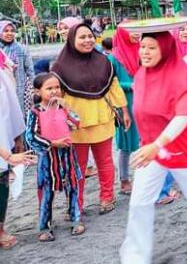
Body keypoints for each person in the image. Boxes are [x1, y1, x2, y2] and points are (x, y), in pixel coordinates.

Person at [120, 31, 187, 263]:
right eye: (143, 47)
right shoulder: (141, 75)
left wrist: (157, 144)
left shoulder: (180, 76)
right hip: (151, 150)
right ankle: (135, 256)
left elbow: (185, 115)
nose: (145, 52)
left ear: (165, 50)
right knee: (139, 201)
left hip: (182, 148)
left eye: (151, 48)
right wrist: (151, 145)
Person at [51, 23, 130, 215]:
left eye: (89, 36)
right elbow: (54, 96)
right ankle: (76, 204)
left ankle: (107, 197)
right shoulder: (60, 67)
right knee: (77, 168)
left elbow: (114, 87)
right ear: (72, 40)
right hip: (75, 126)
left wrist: (124, 110)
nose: (87, 40)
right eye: (82, 37)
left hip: (102, 119)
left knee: (104, 162)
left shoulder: (104, 61)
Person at [25, 73, 84, 241]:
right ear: (38, 91)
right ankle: (44, 226)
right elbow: (30, 136)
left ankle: (76, 219)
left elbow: (76, 124)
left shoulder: (62, 108)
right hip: (48, 160)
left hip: (68, 156)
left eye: (57, 87)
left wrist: (68, 109)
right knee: (47, 192)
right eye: (49, 88)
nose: (54, 91)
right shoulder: (35, 112)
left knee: (72, 187)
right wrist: (51, 143)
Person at [0, 49, 36, 250]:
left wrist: (17, 137)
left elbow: (11, 103)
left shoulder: (3, 61)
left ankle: (0, 229)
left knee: (1, 185)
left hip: (4, 132)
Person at [109, 28, 142, 195]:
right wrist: (131, 86)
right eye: (132, 32)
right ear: (122, 35)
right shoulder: (113, 57)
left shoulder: (142, 50)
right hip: (124, 104)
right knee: (126, 143)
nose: (137, 34)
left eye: (137, 31)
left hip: (144, 101)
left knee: (145, 140)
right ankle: (124, 179)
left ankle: (143, 178)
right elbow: (110, 84)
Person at [0, 21, 35, 115]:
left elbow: (30, 70)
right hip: (3, 87)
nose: (9, 33)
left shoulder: (22, 48)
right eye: (6, 31)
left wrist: (34, 87)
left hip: (20, 87)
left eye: (12, 31)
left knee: (20, 114)